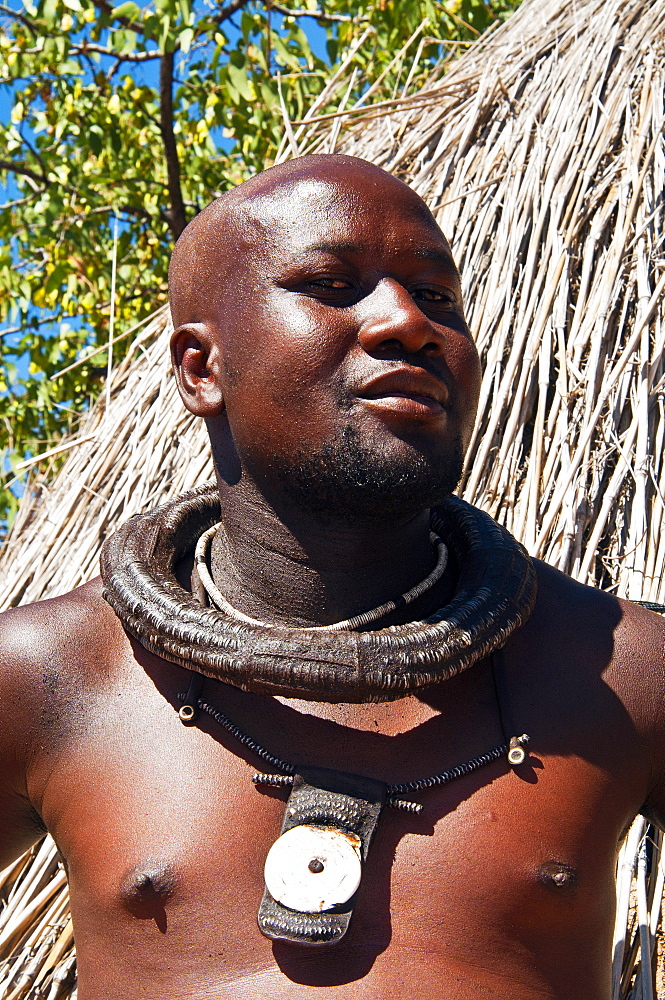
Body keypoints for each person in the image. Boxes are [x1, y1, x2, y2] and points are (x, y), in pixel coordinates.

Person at [0, 153, 664, 1000]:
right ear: (202, 370)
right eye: (330, 284)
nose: (405, 321)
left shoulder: (623, 672)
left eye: (437, 297)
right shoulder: (48, 676)